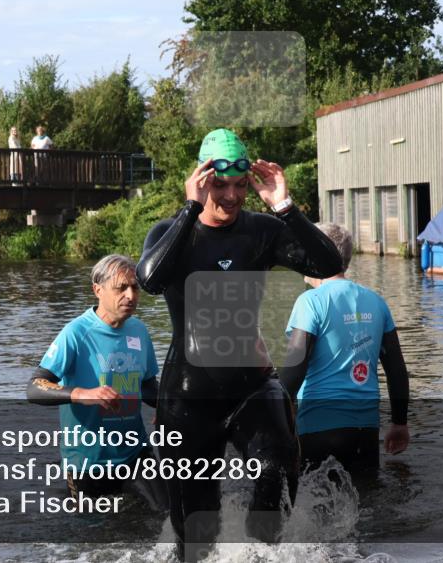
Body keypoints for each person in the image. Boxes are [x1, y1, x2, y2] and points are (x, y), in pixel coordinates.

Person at [136, 128, 342, 560]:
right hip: (188, 398)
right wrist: (190, 209)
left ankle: (261, 555)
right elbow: (150, 281)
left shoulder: (263, 230)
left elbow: (329, 263)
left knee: (276, 468)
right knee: (195, 529)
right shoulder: (171, 230)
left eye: (239, 185)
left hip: (250, 384)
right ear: (200, 179)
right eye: (219, 185)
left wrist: (284, 206)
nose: (231, 196)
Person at [27, 254, 167, 510]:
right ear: (97, 290)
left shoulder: (138, 330)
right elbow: (35, 387)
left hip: (135, 453)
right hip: (87, 461)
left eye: (134, 287)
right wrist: (81, 394)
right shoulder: (76, 333)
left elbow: (146, 384)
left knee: (167, 517)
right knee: (96, 535)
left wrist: (166, 405)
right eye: (121, 288)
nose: (131, 295)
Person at [278, 222, 410, 475]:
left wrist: (277, 423)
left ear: (316, 256)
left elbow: (294, 370)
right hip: (367, 431)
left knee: (316, 506)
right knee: (367, 503)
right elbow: (396, 370)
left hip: (319, 428)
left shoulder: (311, 302)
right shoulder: (376, 301)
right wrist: (399, 423)